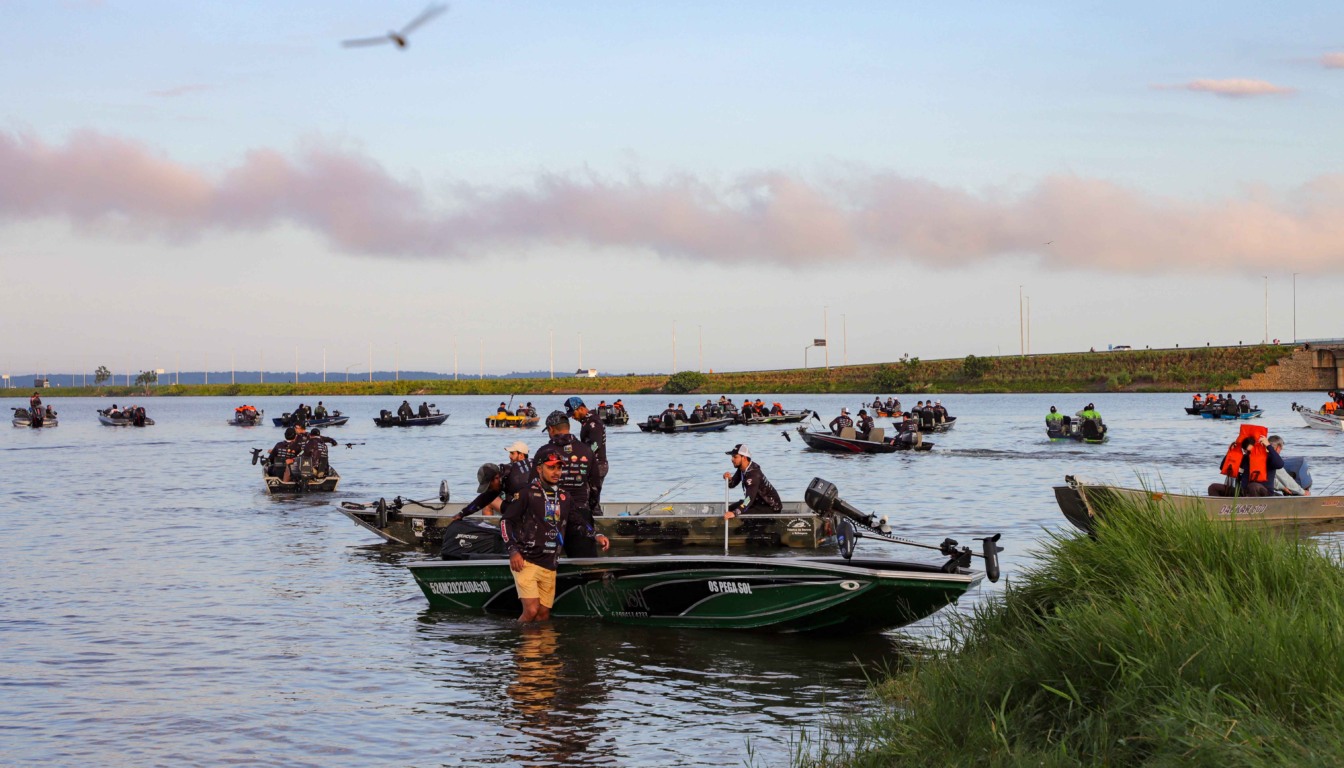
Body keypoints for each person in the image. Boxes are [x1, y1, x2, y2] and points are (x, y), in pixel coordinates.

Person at [502, 453, 610, 623]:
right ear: (539, 469)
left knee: (543, 615)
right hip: (526, 562)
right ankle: (521, 645)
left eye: (559, 468)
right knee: (531, 611)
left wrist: (596, 535)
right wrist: (513, 550)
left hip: (550, 563)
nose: (556, 472)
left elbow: (577, 521)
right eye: (551, 467)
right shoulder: (526, 493)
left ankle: (542, 647)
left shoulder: (565, 497)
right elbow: (505, 521)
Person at [534, 411, 601, 556]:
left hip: (551, 512)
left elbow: (533, 485)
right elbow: (596, 485)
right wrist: (592, 508)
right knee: (585, 562)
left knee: (545, 560)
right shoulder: (586, 450)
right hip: (580, 511)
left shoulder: (544, 451)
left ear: (551, 429)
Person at [454, 441, 535, 522]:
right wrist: (462, 513)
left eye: (489, 486)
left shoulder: (516, 480)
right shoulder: (504, 474)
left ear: (496, 478)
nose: (489, 489)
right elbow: (483, 499)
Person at [565, 397, 609, 514]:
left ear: (581, 408)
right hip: (592, 464)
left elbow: (596, 445)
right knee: (587, 497)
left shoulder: (593, 423)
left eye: (573, 413)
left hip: (597, 465)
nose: (573, 417)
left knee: (591, 499)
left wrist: (583, 458)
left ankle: (597, 522)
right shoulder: (587, 421)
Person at [722, 444, 783, 518]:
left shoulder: (753, 475)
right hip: (757, 503)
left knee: (739, 514)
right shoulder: (742, 469)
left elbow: (748, 499)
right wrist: (729, 479)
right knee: (729, 509)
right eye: (732, 457)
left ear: (744, 458)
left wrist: (735, 513)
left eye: (735, 457)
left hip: (771, 507)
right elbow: (731, 485)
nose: (732, 459)